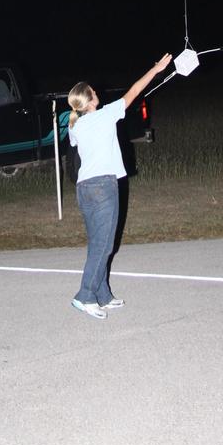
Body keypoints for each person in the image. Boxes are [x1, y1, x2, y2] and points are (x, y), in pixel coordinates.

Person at [68, 52, 173, 319]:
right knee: (104, 245)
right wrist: (157, 69)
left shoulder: (75, 126)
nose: (97, 92)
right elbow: (135, 90)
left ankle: (102, 295)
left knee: (98, 243)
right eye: (93, 91)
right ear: (89, 101)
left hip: (84, 189)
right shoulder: (104, 115)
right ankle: (85, 295)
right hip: (103, 187)